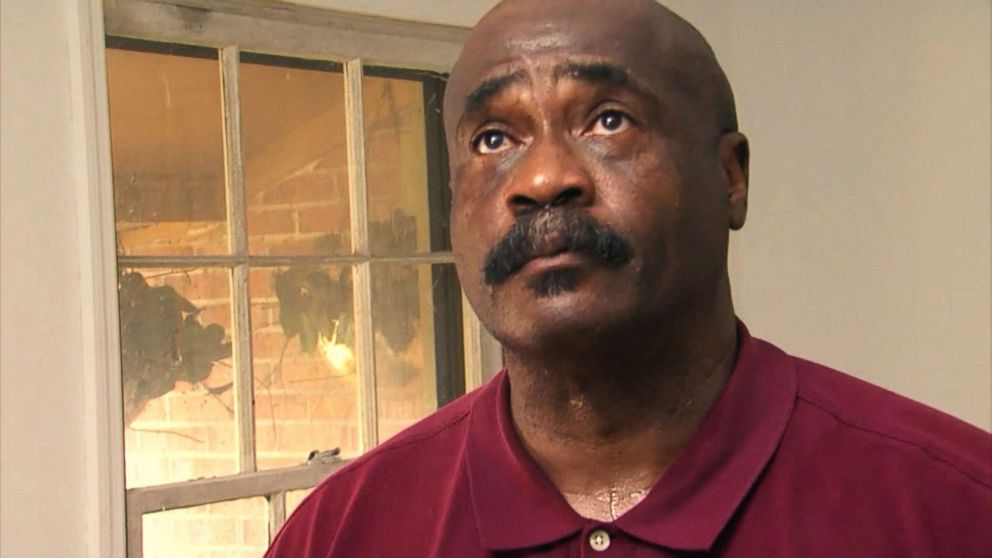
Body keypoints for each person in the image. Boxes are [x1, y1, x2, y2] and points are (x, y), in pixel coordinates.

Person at [266, 0, 992, 555]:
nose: (544, 178)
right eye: (494, 139)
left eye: (608, 121)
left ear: (730, 176)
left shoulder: (956, 507)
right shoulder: (338, 534)